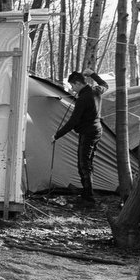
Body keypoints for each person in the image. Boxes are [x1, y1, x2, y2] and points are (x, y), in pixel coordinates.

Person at [53, 69, 108, 202]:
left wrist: (57, 135)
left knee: (83, 164)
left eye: (72, 86)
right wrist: (93, 74)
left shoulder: (83, 98)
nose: (72, 89)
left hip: (88, 133)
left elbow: (73, 121)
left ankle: (88, 197)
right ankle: (87, 193)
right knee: (87, 163)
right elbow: (105, 84)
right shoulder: (96, 90)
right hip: (97, 131)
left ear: (78, 83)